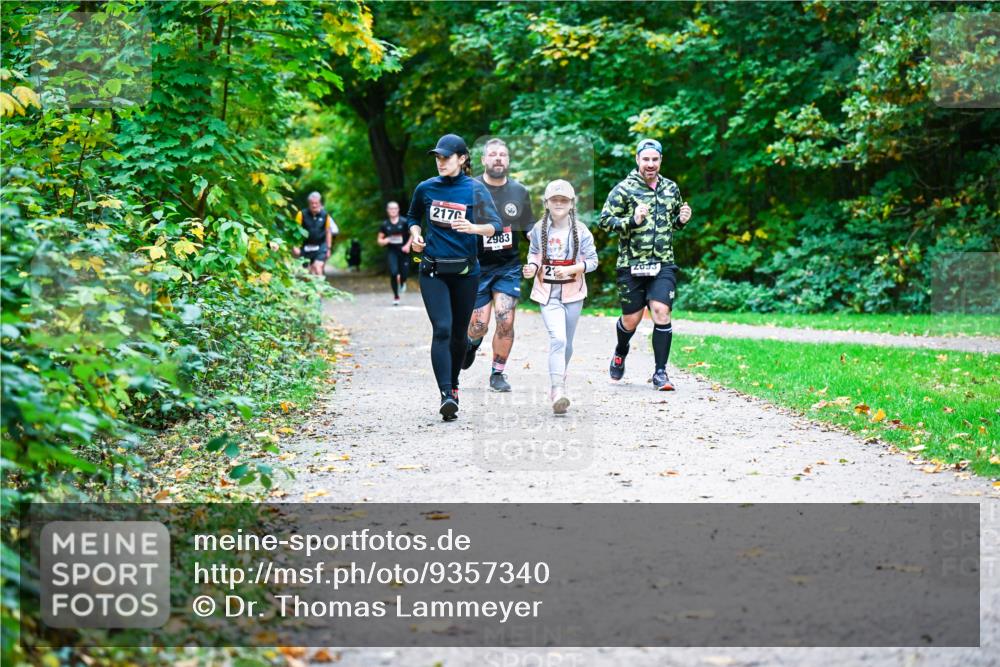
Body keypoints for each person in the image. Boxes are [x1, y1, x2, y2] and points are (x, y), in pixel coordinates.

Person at [408, 134, 504, 421]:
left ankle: (454, 385)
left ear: (462, 159)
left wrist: (473, 228)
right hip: (433, 270)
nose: (441, 162)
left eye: (446, 157)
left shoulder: (475, 189)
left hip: (465, 273)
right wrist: (415, 234)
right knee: (442, 329)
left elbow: (496, 226)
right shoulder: (426, 188)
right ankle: (446, 394)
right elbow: (413, 217)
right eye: (438, 157)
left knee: (459, 334)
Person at [598, 138, 693, 390]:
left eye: (655, 159)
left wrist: (682, 220)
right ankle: (621, 350)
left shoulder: (671, 188)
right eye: (646, 159)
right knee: (632, 319)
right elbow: (605, 221)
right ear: (637, 160)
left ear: (660, 160)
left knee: (661, 311)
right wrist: (632, 220)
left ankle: (660, 373)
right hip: (631, 264)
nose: (650, 164)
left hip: (663, 263)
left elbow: (672, 223)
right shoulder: (624, 189)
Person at [462, 138, 535, 392]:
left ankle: (497, 373)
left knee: (505, 320)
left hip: (508, 267)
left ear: (508, 160)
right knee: (478, 326)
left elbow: (528, 225)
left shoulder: (519, 192)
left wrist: (536, 235)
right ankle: (471, 344)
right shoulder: (470, 188)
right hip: (477, 266)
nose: (497, 158)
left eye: (502, 155)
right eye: (492, 154)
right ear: (483, 160)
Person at [523, 180, 598, 414]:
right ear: (546, 203)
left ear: (572, 204)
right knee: (558, 339)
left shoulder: (581, 231)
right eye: (554, 200)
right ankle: (557, 390)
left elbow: (593, 262)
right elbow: (534, 253)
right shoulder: (539, 229)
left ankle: (560, 379)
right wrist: (532, 267)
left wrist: (572, 269)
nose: (558, 203)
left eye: (563, 200)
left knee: (568, 344)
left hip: (573, 294)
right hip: (548, 294)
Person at [292, 192, 339, 276]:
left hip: (321, 245)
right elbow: (296, 230)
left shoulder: (325, 215)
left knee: (317, 267)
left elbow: (328, 232)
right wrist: (295, 246)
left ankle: (319, 284)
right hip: (305, 246)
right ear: (308, 203)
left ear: (320, 203)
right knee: (306, 273)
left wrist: (328, 248)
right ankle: (310, 283)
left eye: (316, 203)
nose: (314, 205)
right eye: (312, 203)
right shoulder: (301, 214)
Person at [377, 201, 412, 305]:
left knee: (404, 274)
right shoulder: (385, 224)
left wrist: (408, 245)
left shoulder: (404, 222)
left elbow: (412, 234)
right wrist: (385, 240)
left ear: (398, 210)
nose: (393, 210)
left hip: (404, 251)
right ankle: (396, 296)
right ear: (388, 210)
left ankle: (403, 282)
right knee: (393, 273)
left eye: (395, 208)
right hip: (392, 252)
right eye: (391, 209)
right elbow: (379, 240)